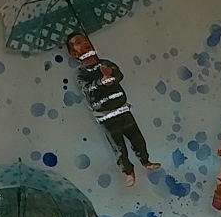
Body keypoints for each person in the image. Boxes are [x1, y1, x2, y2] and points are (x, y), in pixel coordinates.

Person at [67, 32, 161, 189]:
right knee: (118, 147)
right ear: (74, 53)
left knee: (137, 138)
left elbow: (119, 75)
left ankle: (145, 161)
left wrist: (110, 75)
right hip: (106, 116)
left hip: (122, 110)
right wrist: (101, 82)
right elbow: (87, 89)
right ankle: (128, 172)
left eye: (85, 39)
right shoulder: (81, 73)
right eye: (78, 42)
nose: (84, 43)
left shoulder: (106, 63)